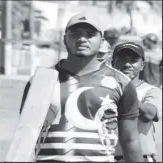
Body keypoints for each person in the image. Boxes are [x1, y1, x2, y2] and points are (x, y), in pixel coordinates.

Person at [19, 13, 143, 162]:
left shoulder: (121, 83)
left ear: (101, 41)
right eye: (75, 34)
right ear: (65, 39)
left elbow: (130, 140)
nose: (82, 39)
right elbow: (25, 135)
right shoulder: (40, 80)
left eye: (90, 35)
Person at [111, 42, 162, 162]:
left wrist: (126, 92)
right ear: (113, 63)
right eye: (122, 60)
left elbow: (149, 114)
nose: (127, 64)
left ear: (142, 65)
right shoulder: (104, 90)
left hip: (141, 158)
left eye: (133, 60)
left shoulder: (151, 91)